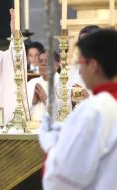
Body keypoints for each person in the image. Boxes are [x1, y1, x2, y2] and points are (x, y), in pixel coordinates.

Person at [39, 29, 117, 190]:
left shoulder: (94, 109)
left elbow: (62, 179)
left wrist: (51, 145)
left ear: (93, 65)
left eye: (80, 62)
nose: (79, 70)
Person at [27, 50, 60, 122]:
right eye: (40, 61)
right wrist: (33, 102)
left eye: (47, 61)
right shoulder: (31, 83)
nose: (43, 64)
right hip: (31, 128)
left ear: (57, 65)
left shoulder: (63, 84)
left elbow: (64, 115)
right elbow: (22, 112)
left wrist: (45, 99)